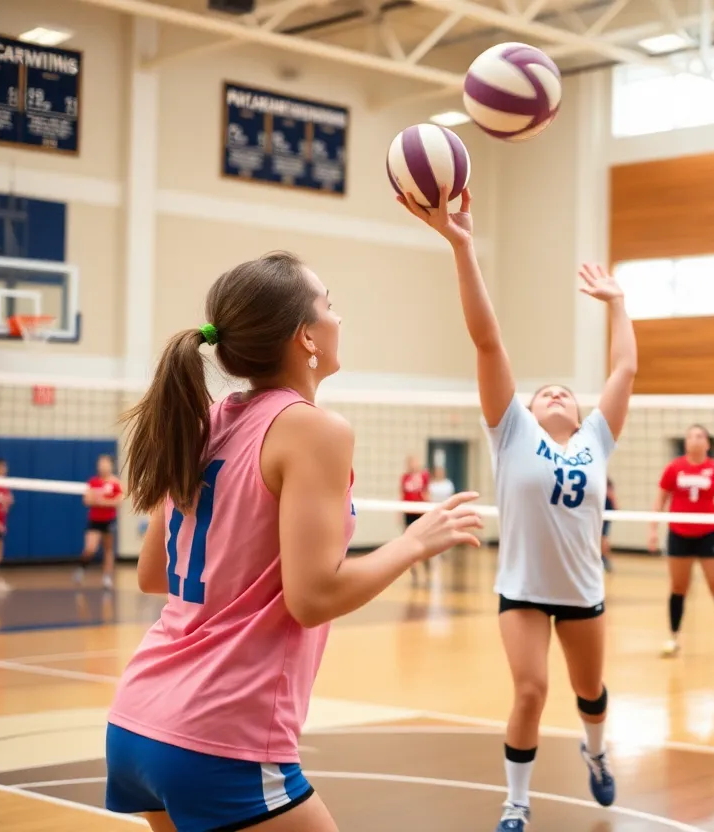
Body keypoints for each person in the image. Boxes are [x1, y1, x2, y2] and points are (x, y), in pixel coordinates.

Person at [103, 250, 482, 832]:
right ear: (306, 336)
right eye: (329, 304)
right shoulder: (312, 428)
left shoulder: (203, 419)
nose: (338, 317)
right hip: (220, 734)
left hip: (136, 720)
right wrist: (413, 543)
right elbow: (313, 598)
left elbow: (155, 573)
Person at [398, 185, 636, 832]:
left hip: (582, 590)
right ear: (525, 409)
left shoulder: (596, 439)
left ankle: (595, 751)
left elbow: (622, 373)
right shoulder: (512, 433)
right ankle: (517, 802)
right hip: (523, 590)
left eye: (566, 392)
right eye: (543, 391)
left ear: (580, 412)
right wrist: (462, 246)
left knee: (590, 693)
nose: (555, 393)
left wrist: (618, 304)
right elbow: (487, 341)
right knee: (531, 691)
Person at [647, 426, 714, 660]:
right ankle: (673, 638)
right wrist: (652, 530)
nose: (694, 440)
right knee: (678, 587)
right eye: (690, 436)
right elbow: (660, 500)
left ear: (707, 443)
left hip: (709, 533)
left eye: (699, 436)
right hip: (679, 533)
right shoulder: (673, 467)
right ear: (686, 443)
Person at [76, 454, 125, 590]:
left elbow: (118, 501)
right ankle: (81, 568)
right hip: (94, 520)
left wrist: (100, 501)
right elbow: (87, 500)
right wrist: (105, 501)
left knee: (108, 549)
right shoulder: (93, 482)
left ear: (111, 465)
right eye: (100, 463)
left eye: (105, 463)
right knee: (90, 548)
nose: (103, 466)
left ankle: (107, 577)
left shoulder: (115, 483)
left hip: (109, 521)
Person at [401, 456, 431, 584]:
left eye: (415, 462)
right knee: (408, 542)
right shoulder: (405, 477)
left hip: (420, 511)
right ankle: (414, 574)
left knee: (424, 543)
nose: (413, 464)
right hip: (408, 511)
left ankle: (427, 571)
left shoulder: (424, 476)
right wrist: (400, 510)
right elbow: (402, 494)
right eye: (411, 462)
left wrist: (427, 509)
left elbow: (427, 493)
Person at [601, 478, 616, 573]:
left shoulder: (606, 481)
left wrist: (615, 507)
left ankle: (605, 559)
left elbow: (611, 495)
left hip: (606, 512)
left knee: (604, 537)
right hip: (602, 512)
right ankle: (604, 558)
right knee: (603, 538)